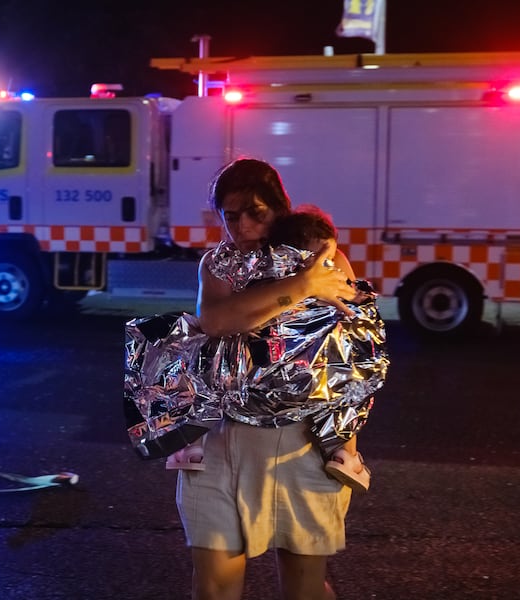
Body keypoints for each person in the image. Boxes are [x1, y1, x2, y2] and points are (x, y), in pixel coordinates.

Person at [176, 158, 361, 600]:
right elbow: (218, 320)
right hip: (219, 440)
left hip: (299, 444)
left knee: (304, 590)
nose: (241, 225)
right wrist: (300, 287)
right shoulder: (217, 265)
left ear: (280, 208)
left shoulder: (323, 257)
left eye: (254, 212)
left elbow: (349, 343)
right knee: (214, 589)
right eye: (230, 215)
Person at [165, 206, 382, 493]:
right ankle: (345, 453)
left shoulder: (261, 274)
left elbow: (225, 321)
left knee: (198, 367)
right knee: (349, 386)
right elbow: (351, 302)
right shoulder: (326, 270)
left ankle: (190, 444)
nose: (242, 226)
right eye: (232, 217)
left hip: (255, 368)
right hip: (312, 371)